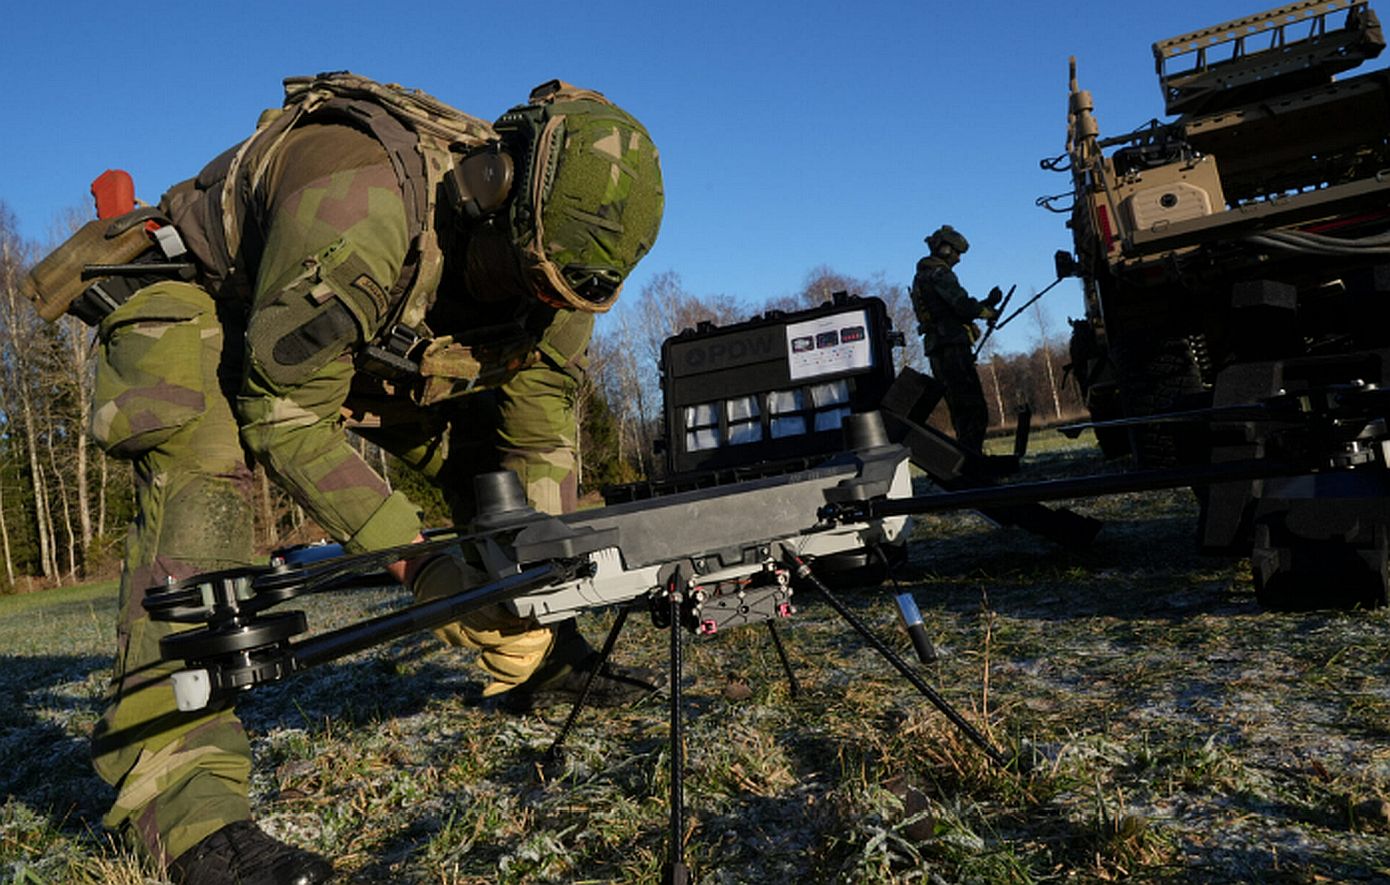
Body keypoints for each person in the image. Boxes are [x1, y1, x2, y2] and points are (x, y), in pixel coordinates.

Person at [39, 73, 664, 884]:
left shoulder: (565, 266)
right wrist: (433, 574)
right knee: (204, 484)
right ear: (493, 187)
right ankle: (184, 804)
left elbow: (536, 420)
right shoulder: (357, 196)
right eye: (531, 278)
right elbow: (284, 415)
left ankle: (546, 661)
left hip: (356, 339)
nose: (544, 303)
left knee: (488, 449)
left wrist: (540, 582)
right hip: (213, 308)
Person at [909, 224, 1002, 455]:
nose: (958, 259)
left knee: (959, 408)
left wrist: (985, 304)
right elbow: (961, 307)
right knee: (972, 407)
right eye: (957, 252)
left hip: (937, 346)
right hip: (951, 345)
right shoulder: (939, 273)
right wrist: (987, 312)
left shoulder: (922, 275)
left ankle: (967, 458)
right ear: (944, 249)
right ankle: (972, 460)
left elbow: (948, 309)